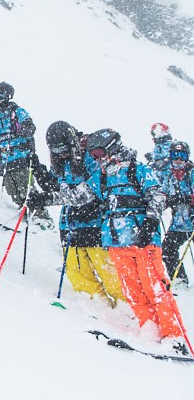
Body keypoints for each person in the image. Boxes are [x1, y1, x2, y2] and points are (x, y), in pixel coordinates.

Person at [51, 129, 190, 354]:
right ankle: (149, 330)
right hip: (116, 243)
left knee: (155, 289)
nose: (97, 159)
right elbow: (79, 196)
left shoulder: (138, 170)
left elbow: (157, 195)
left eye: (98, 153)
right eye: (94, 155)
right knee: (133, 291)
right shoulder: (104, 176)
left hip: (142, 240)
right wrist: (47, 198)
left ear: (112, 148)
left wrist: (150, 223)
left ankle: (174, 336)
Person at [30, 122, 124, 306]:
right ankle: (97, 305)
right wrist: (39, 173)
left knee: (109, 272)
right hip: (70, 223)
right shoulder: (60, 162)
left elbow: (91, 189)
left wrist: (48, 199)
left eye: (64, 149)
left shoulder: (90, 154)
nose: (62, 154)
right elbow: (56, 186)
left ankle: (128, 308)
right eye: (56, 151)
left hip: (95, 220)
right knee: (76, 270)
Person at [0, 82, 52, 226]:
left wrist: (23, 131)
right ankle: (25, 210)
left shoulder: (17, 111)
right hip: (5, 158)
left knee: (26, 187)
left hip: (20, 156)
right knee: (11, 189)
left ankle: (41, 216)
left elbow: (29, 125)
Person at [161, 140, 194, 289]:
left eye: (182, 155)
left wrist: (188, 199)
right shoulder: (169, 176)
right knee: (167, 249)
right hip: (178, 224)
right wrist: (167, 201)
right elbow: (162, 195)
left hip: (192, 220)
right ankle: (180, 280)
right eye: (175, 155)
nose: (179, 160)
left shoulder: (192, 173)